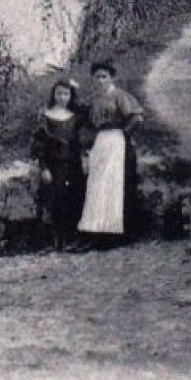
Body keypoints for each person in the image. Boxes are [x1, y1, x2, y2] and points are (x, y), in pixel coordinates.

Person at [78, 60, 145, 247]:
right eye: (97, 77)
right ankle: (99, 232)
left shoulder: (120, 95)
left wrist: (124, 132)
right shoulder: (95, 99)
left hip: (117, 141)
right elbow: (88, 122)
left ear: (111, 77)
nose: (100, 80)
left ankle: (117, 234)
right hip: (100, 142)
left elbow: (137, 117)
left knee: (115, 185)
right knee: (97, 185)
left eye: (104, 76)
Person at [30, 79, 87, 251]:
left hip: (73, 163)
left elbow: (82, 137)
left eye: (66, 94)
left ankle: (72, 240)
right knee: (55, 200)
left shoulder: (75, 117)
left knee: (74, 198)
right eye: (59, 93)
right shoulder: (46, 116)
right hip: (54, 164)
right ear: (53, 95)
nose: (63, 97)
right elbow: (39, 145)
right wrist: (44, 168)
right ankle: (56, 241)